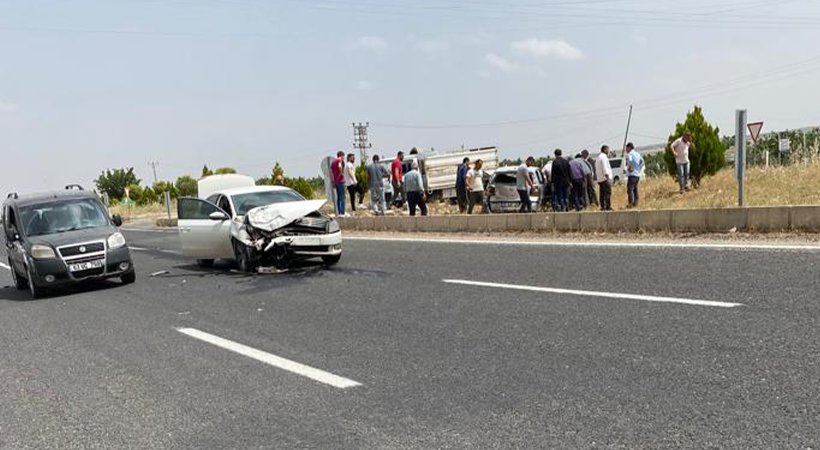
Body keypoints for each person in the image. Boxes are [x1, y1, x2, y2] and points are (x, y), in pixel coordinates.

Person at [625, 143, 645, 208]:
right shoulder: (637, 154)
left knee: (630, 189)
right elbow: (642, 162)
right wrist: (638, 169)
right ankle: (636, 203)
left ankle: (630, 204)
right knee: (635, 189)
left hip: (632, 174)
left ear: (629, 147)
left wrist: (630, 167)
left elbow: (630, 160)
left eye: (626, 148)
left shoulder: (630, 154)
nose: (626, 150)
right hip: (637, 174)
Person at [595, 145, 614, 211]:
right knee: (608, 193)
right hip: (605, 178)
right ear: (605, 150)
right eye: (608, 150)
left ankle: (602, 206)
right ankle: (608, 206)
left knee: (602, 194)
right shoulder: (603, 157)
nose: (609, 151)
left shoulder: (598, 157)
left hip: (600, 179)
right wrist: (608, 178)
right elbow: (605, 168)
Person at [330, 151, 347, 216]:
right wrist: (342, 173)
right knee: (343, 197)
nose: (344, 158)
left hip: (336, 182)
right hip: (340, 181)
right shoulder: (339, 160)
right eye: (343, 157)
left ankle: (339, 212)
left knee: (339, 197)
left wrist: (333, 181)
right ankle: (343, 212)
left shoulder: (333, 162)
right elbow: (340, 167)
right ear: (341, 156)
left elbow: (331, 173)